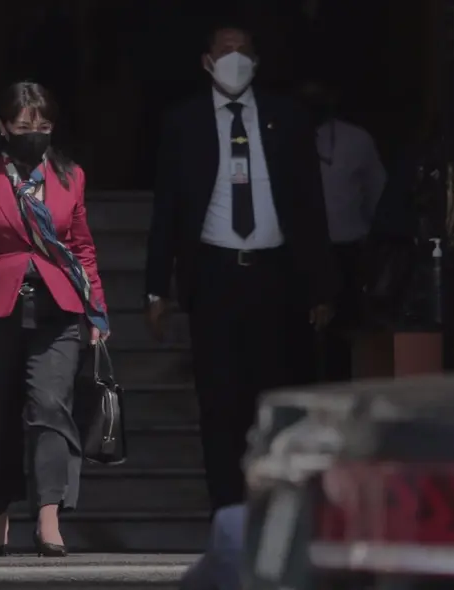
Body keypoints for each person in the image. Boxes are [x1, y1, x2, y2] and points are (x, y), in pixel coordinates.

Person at [144, 23, 336, 512]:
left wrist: (321, 286)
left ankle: (273, 506)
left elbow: (310, 205)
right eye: (225, 52)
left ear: (257, 61)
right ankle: (228, 510)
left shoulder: (286, 117)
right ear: (206, 61)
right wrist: (155, 288)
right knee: (219, 401)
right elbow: (166, 208)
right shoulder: (183, 121)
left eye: (243, 52)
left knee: (273, 396)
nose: (234, 60)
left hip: (275, 276)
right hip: (214, 275)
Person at [0, 81, 109, 557]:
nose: (35, 134)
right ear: (2, 127)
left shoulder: (70, 176)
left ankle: (49, 516)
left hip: (58, 310)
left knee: (51, 407)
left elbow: (81, 248)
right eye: (24, 126)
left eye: (44, 127)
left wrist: (98, 309)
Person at [299, 80, 387, 382]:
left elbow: (377, 192)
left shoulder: (355, 139)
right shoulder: (282, 134)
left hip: (345, 249)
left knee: (341, 336)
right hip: (296, 252)